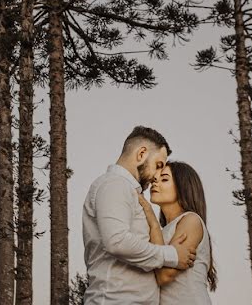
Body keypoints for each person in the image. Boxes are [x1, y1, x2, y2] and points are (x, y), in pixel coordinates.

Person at [82, 126, 198, 304]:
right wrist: (172, 255)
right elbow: (117, 241)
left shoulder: (129, 191)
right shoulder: (114, 185)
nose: (157, 175)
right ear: (141, 154)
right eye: (158, 165)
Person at [139, 161, 217, 304]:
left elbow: (164, 275)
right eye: (155, 179)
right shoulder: (162, 231)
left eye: (164, 179)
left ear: (183, 187)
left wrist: (152, 220)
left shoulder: (191, 221)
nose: (155, 183)